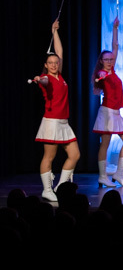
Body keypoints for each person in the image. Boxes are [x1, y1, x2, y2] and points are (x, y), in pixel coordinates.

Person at [33, 19, 80, 202]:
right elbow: (44, 81)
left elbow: (59, 52)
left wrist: (54, 31)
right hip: (51, 122)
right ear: (45, 65)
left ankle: (60, 186)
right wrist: (40, 79)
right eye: (50, 63)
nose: (53, 64)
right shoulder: (45, 78)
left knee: (74, 155)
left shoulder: (59, 76)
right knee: (49, 157)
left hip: (63, 122)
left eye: (55, 62)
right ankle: (47, 189)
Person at [91, 17, 123, 188]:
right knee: (105, 144)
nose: (109, 61)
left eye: (111, 59)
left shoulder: (112, 70)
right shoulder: (102, 73)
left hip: (116, 113)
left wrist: (115, 28)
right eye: (106, 59)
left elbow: (115, 46)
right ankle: (102, 176)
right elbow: (100, 77)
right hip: (107, 112)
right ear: (101, 61)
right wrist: (101, 77)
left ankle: (119, 174)